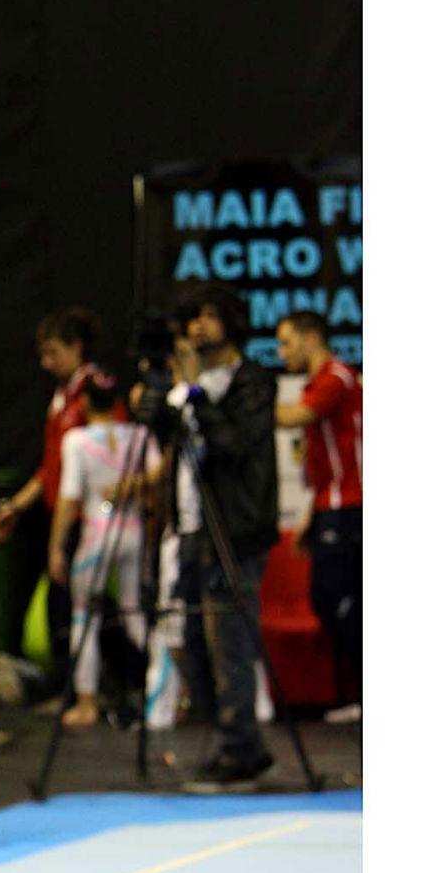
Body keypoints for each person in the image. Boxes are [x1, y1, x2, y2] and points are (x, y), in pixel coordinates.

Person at [143, 288, 280, 793]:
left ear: (231, 321)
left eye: (209, 316)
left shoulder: (252, 381)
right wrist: (163, 396)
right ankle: (235, 740)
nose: (198, 326)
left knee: (231, 643)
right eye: (192, 318)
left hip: (236, 530)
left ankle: (239, 749)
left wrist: (197, 393)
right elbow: (164, 440)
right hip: (191, 526)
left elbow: (234, 445)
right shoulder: (187, 386)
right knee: (191, 641)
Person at [0, 307, 116, 693]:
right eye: (42, 354)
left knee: (78, 604)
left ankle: (90, 688)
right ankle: (72, 687)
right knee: (63, 603)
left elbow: (112, 452)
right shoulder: (61, 397)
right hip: (58, 514)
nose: (46, 363)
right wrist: (16, 506)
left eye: (53, 352)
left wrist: (92, 511)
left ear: (76, 347)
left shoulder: (96, 391)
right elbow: (49, 467)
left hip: (86, 517)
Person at [50, 374, 161, 730]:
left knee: (85, 615)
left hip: (97, 535)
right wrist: (135, 485)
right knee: (135, 612)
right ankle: (165, 684)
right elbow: (159, 472)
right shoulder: (139, 435)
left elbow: (69, 496)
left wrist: (56, 547)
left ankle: (86, 702)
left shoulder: (77, 440)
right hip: (134, 532)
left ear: (84, 402)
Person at [276, 311, 362, 723]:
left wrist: (242, 398)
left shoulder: (337, 377)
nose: (281, 353)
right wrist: (311, 517)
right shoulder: (316, 383)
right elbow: (325, 468)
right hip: (332, 507)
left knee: (337, 597)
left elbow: (295, 416)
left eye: (287, 342)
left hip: (353, 507)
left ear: (310, 338)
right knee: (333, 599)